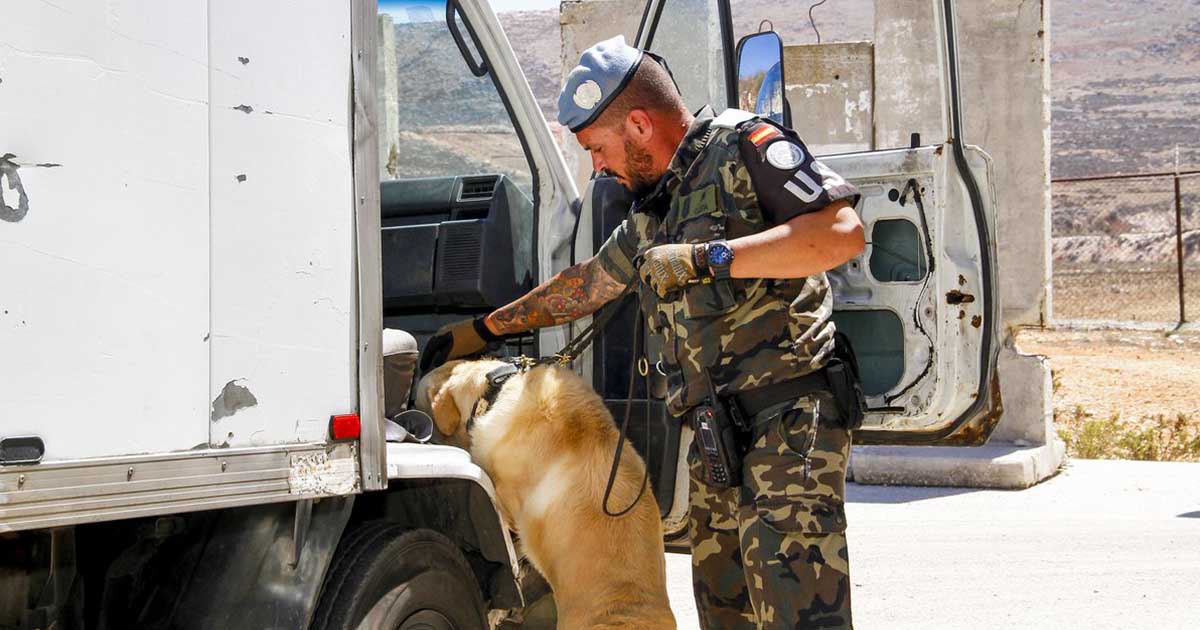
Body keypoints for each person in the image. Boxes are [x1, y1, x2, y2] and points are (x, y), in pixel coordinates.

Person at [421, 36, 864, 629]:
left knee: (798, 615)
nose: (596, 167)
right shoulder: (654, 208)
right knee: (724, 612)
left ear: (636, 123)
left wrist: (710, 257)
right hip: (715, 439)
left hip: (787, 422)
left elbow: (841, 234)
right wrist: (484, 328)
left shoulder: (745, 145)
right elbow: (590, 284)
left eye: (597, 149)